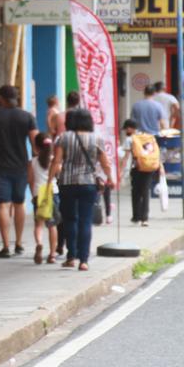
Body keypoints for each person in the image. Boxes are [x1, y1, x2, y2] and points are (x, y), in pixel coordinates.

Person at [0, 85, 38, 258]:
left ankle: (5, 246)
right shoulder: (27, 117)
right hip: (21, 166)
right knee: (19, 203)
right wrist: (38, 163)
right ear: (16, 99)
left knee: (3, 205)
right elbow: (36, 141)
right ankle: (18, 243)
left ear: (1, 98)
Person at [49, 108, 115, 272]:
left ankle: (71, 257)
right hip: (88, 184)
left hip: (67, 184)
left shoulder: (63, 138)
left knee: (70, 220)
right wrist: (111, 179)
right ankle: (84, 260)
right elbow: (105, 163)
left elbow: (56, 162)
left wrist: (49, 179)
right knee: (85, 221)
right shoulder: (97, 138)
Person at [120, 118, 165, 227]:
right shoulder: (148, 137)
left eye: (126, 129)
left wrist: (121, 171)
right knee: (145, 192)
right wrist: (161, 167)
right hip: (149, 167)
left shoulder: (130, 139)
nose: (126, 131)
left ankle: (136, 216)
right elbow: (155, 153)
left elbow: (126, 157)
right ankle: (145, 219)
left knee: (135, 192)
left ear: (130, 128)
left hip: (136, 168)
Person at [28, 132, 58, 265]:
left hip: (38, 194)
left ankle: (39, 243)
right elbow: (59, 172)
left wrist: (33, 195)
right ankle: (52, 254)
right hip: (52, 193)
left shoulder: (32, 162)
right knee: (52, 226)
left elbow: (31, 180)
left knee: (38, 224)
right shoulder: (54, 160)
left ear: (36, 147)